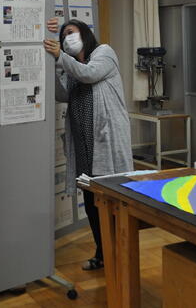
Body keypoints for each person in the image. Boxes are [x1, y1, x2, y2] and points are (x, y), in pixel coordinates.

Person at [44, 18, 133, 271]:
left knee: (112, 199)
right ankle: (102, 252)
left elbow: (89, 74)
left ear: (84, 33)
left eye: (71, 32)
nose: (67, 38)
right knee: (92, 201)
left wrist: (60, 57)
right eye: (63, 35)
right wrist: (54, 66)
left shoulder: (103, 52)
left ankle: (121, 254)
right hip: (83, 145)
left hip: (106, 141)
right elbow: (62, 94)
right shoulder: (72, 65)